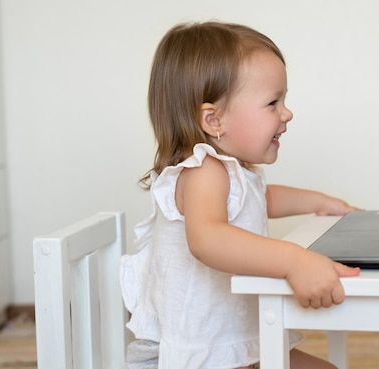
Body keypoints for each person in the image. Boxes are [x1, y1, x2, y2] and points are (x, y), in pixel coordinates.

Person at [120, 21, 361, 369]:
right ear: (214, 120)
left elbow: (262, 200)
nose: (287, 113)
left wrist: (320, 202)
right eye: (273, 103)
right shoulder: (202, 171)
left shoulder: (230, 173)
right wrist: (294, 260)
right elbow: (207, 239)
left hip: (225, 344)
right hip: (189, 353)